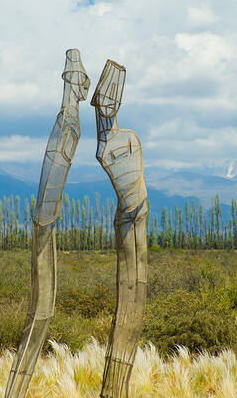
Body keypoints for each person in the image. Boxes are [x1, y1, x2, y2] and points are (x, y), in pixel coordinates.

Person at [5, 49, 90, 398]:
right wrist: (45, 219)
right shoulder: (68, 121)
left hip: (46, 222)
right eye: (82, 81)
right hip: (45, 224)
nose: (85, 89)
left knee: (44, 311)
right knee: (41, 311)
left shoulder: (68, 120)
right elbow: (52, 174)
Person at [92, 60, 148, 398]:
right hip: (128, 218)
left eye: (113, 100)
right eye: (104, 100)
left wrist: (135, 206)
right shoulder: (110, 146)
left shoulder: (129, 140)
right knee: (130, 292)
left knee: (136, 289)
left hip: (135, 216)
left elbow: (134, 183)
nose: (108, 106)